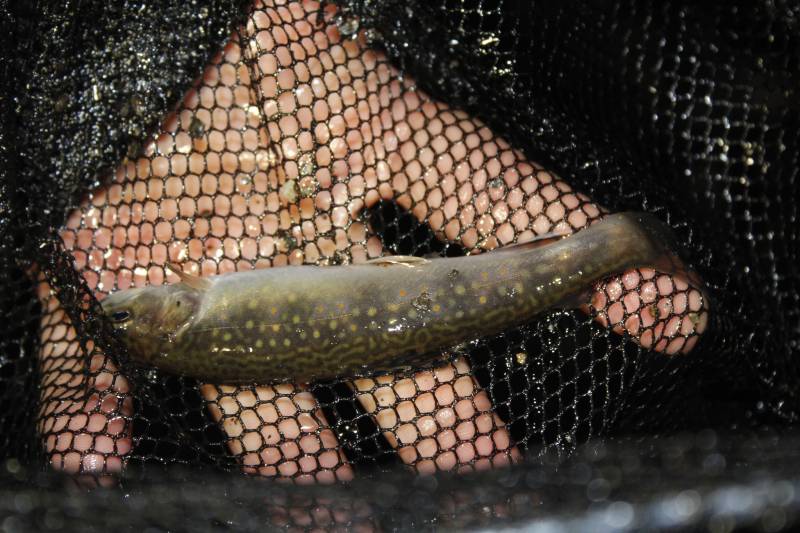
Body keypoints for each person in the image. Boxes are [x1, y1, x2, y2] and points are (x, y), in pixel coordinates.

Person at [37, 0, 707, 486]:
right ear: (170, 317)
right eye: (128, 315)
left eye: (122, 314)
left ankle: (610, 250)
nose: (123, 304)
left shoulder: (195, 325)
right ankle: (610, 248)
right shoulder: (194, 323)